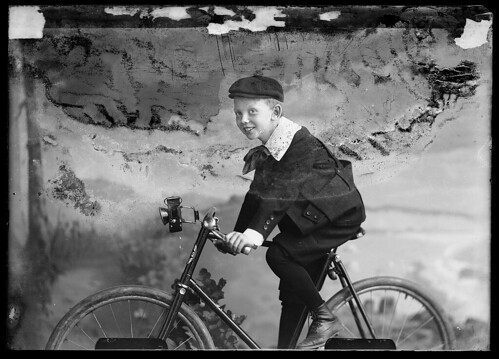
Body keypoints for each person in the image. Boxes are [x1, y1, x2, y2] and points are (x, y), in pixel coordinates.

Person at [224, 75, 366, 350]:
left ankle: (326, 319)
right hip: (310, 219)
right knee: (292, 295)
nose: (243, 120)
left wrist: (253, 236)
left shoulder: (298, 142)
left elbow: (282, 193)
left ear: (276, 113)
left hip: (337, 218)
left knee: (279, 254)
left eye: (252, 112)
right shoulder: (271, 146)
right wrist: (237, 234)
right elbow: (257, 196)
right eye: (238, 113)